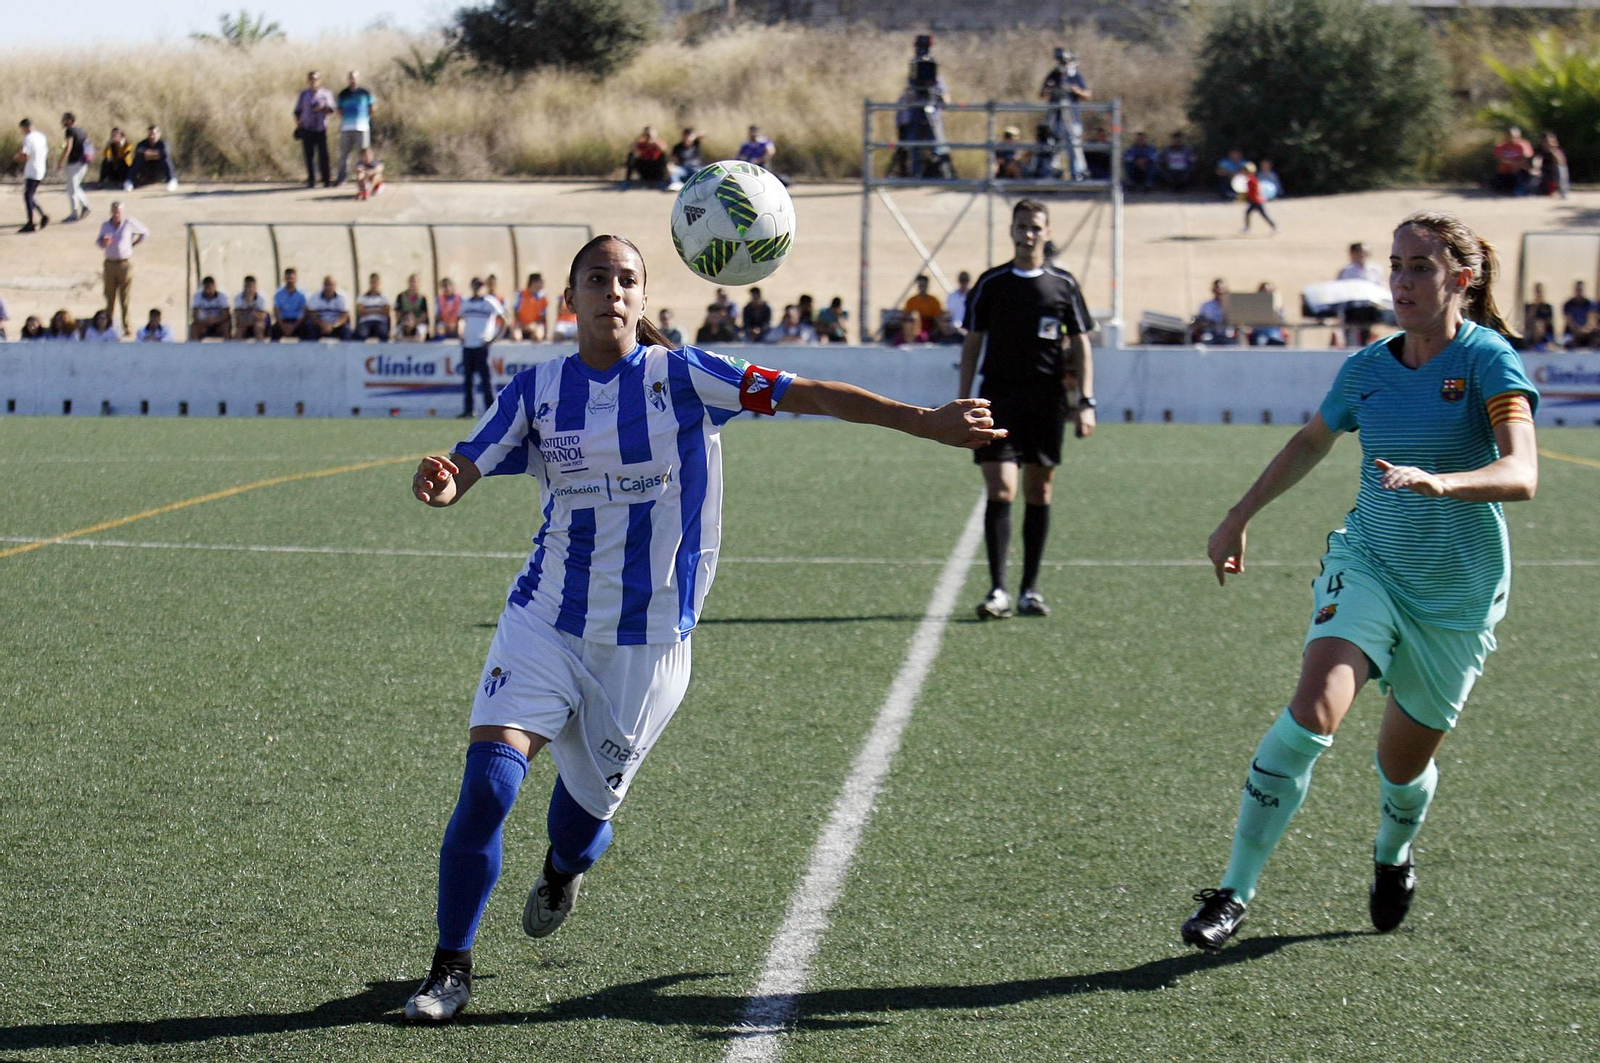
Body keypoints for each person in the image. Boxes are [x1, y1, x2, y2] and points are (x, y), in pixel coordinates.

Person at [400, 232, 1004, 1024]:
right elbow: (467, 462)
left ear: (644, 297)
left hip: (646, 649)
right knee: (488, 786)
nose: (612, 291)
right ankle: (450, 965)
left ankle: (562, 869)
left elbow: (812, 393)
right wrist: (444, 482)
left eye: (626, 279)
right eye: (596, 279)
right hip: (543, 621)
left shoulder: (685, 376)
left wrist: (926, 420)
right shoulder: (535, 390)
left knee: (576, 830)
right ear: (571, 298)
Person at [1181, 209, 1539, 952]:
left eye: (1420, 267)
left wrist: (1442, 483)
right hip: (1368, 564)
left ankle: (1392, 853)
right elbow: (1312, 440)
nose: (1401, 281)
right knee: (1311, 713)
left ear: (1460, 280)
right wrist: (1239, 514)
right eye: (1396, 265)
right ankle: (1234, 891)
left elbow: (1522, 472)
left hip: (1457, 595)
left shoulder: (1488, 360)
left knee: (1401, 769)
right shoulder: (1368, 368)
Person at [958, 199, 1095, 621]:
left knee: (1040, 491)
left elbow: (1081, 344)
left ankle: (1029, 590)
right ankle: (998, 590)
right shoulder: (991, 283)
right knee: (1001, 488)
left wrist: (1086, 401)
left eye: (1035, 227)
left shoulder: (1063, 284)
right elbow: (973, 343)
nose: (1028, 234)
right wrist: (962, 402)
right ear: (1011, 231)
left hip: (1047, 401)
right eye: (1021, 226)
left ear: (1047, 232)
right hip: (998, 399)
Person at [96, 201, 149, 335]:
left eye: (118, 212)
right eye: (114, 212)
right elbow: (98, 242)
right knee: (109, 296)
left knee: (125, 297)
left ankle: (127, 326)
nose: (116, 214)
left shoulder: (128, 223)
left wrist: (133, 244)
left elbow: (145, 232)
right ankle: (108, 325)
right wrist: (104, 243)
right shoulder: (106, 225)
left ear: (122, 212)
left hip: (125, 263)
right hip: (110, 263)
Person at [1039, 46, 1090, 180]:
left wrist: (1075, 90)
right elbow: (1042, 93)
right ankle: (1050, 173)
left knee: (1074, 145)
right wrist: (1050, 89)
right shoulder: (1054, 75)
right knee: (1052, 144)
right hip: (1055, 118)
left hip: (1072, 118)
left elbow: (1087, 94)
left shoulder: (1075, 76)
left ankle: (1077, 174)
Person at [457, 277, 505, 418]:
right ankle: (469, 410)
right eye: (476, 286)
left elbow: (504, 320)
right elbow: (460, 319)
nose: (478, 289)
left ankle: (491, 410)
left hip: (482, 345)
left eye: (480, 286)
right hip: (468, 345)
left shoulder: (489, 302)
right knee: (468, 380)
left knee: (486, 379)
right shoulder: (466, 303)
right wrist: (460, 334)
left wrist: (494, 338)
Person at [294, 70, 337, 189]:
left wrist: (322, 108)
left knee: (323, 155)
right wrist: (299, 125)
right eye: (311, 79)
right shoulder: (304, 95)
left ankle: (326, 179)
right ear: (308, 81)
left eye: (316, 79)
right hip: (307, 128)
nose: (313, 81)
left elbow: (332, 110)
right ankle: (311, 179)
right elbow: (297, 111)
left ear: (320, 80)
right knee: (309, 156)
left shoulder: (326, 94)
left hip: (321, 128)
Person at [335, 70, 375, 186]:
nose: (353, 80)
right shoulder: (343, 94)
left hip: (362, 127)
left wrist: (364, 118)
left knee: (364, 155)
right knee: (344, 155)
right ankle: (342, 178)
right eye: (351, 78)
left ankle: (365, 178)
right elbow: (339, 110)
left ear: (358, 78)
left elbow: (372, 108)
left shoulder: (365, 92)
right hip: (347, 128)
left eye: (355, 78)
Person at [15, 118, 49, 233]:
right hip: (41, 168)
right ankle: (42, 215)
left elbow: (26, 156)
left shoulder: (28, 138)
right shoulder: (41, 136)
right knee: (29, 195)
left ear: (25, 127)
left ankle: (31, 222)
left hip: (32, 169)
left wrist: (17, 158)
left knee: (27, 196)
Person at [58, 112, 92, 222]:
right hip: (83, 162)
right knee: (74, 186)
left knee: (71, 188)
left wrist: (60, 161)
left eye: (64, 119)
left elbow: (68, 147)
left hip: (74, 163)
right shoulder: (81, 131)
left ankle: (74, 213)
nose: (62, 121)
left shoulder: (70, 131)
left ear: (69, 120)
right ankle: (85, 205)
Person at [271, 268, 317, 341]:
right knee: (273, 330)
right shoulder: (278, 293)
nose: (290, 281)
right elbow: (276, 311)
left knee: (308, 329)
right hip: (283, 321)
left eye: (292, 278)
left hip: (298, 321)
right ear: (284, 279)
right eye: (288, 278)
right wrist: (283, 326)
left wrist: (294, 326)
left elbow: (305, 312)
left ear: (296, 279)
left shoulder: (302, 293)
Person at [128, 125, 178, 191]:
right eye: (150, 134)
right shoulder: (142, 144)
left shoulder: (163, 144)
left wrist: (148, 154)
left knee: (166, 158)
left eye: (154, 134)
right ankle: (129, 181)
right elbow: (139, 152)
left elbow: (165, 152)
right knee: (138, 159)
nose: (152, 136)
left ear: (159, 134)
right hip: (146, 170)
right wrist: (157, 154)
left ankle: (172, 180)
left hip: (159, 170)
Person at [306, 275, 352, 340]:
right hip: (320, 325)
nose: (328, 287)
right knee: (309, 327)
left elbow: (344, 317)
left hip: (336, 325)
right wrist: (323, 325)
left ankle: (345, 347)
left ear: (335, 285)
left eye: (331, 285)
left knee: (346, 330)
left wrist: (332, 326)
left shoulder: (343, 297)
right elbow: (313, 316)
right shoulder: (315, 296)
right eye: (326, 284)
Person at [1192, 278, 1235, 345]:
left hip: (1227, 335)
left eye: (1223, 291)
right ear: (1213, 291)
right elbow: (1200, 321)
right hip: (1210, 334)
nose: (1220, 294)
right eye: (1218, 292)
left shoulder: (1232, 306)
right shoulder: (1206, 305)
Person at [1492, 126, 1533, 196]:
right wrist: (1513, 164)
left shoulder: (1524, 145)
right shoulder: (1500, 146)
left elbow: (1526, 158)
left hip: (1520, 172)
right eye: (1510, 136)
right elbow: (1500, 160)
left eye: (1515, 136)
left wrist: (1514, 164)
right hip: (1505, 172)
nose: (1512, 138)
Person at [190, 275, 232, 339]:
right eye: (206, 287)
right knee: (194, 327)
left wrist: (214, 320)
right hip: (203, 323)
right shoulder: (198, 297)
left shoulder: (221, 297)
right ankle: (194, 344)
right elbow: (195, 314)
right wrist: (204, 320)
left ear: (214, 286)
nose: (208, 290)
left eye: (210, 287)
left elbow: (226, 314)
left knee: (226, 326)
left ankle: (228, 344)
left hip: (218, 323)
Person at [1240, 162, 1277, 234]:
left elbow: (1255, 190)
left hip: (1256, 201)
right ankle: (1247, 228)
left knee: (1262, 215)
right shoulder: (1251, 179)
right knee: (1249, 213)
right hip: (1254, 201)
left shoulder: (1251, 180)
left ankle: (1274, 226)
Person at [356, 273, 391, 340]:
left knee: (383, 333)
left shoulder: (384, 297)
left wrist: (368, 310)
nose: (374, 285)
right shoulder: (362, 297)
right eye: (372, 282)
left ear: (379, 283)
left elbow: (386, 311)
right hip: (366, 321)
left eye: (376, 282)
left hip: (380, 321)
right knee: (361, 334)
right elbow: (360, 311)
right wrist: (378, 310)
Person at [512, 273, 547, 341]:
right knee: (516, 337)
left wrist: (534, 324)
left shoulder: (542, 297)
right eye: (541, 282)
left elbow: (542, 317)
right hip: (520, 325)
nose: (543, 284)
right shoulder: (520, 294)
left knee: (538, 336)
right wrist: (522, 325)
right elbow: (515, 312)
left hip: (535, 325)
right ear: (534, 282)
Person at [234, 275, 269, 340]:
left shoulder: (261, 298)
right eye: (246, 287)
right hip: (244, 322)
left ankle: (261, 345)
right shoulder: (238, 297)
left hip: (256, 322)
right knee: (239, 330)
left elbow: (262, 316)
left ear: (255, 287)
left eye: (250, 287)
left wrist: (250, 307)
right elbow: (237, 315)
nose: (248, 290)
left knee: (258, 327)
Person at [1561, 280, 1594, 348]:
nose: (1579, 291)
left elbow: (1591, 319)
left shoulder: (1589, 303)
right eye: (1577, 289)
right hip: (1572, 333)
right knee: (1567, 343)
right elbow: (1569, 321)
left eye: (1581, 289)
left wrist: (1585, 329)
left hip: (1586, 332)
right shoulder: (1568, 304)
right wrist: (1578, 330)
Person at [1535, 131, 1568, 198]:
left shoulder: (1557, 151)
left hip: (1554, 175)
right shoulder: (1539, 151)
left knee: (1561, 168)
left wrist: (1552, 150)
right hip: (1543, 174)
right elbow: (1537, 161)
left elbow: (1561, 162)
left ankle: (1560, 190)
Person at [945, 272, 972, 337]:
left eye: (965, 280)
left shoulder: (973, 295)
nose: (963, 282)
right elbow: (949, 313)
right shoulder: (952, 296)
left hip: (970, 328)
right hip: (954, 328)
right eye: (961, 280)